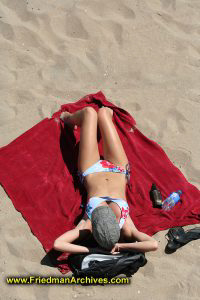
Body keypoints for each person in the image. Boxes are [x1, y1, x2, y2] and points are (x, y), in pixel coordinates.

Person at [53, 107, 158, 255]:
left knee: (89, 112)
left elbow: (58, 244)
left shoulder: (87, 226)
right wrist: (122, 246)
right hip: (119, 169)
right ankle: (83, 121)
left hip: (91, 169)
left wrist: (91, 250)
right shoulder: (126, 226)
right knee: (104, 112)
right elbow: (153, 244)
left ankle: (70, 120)